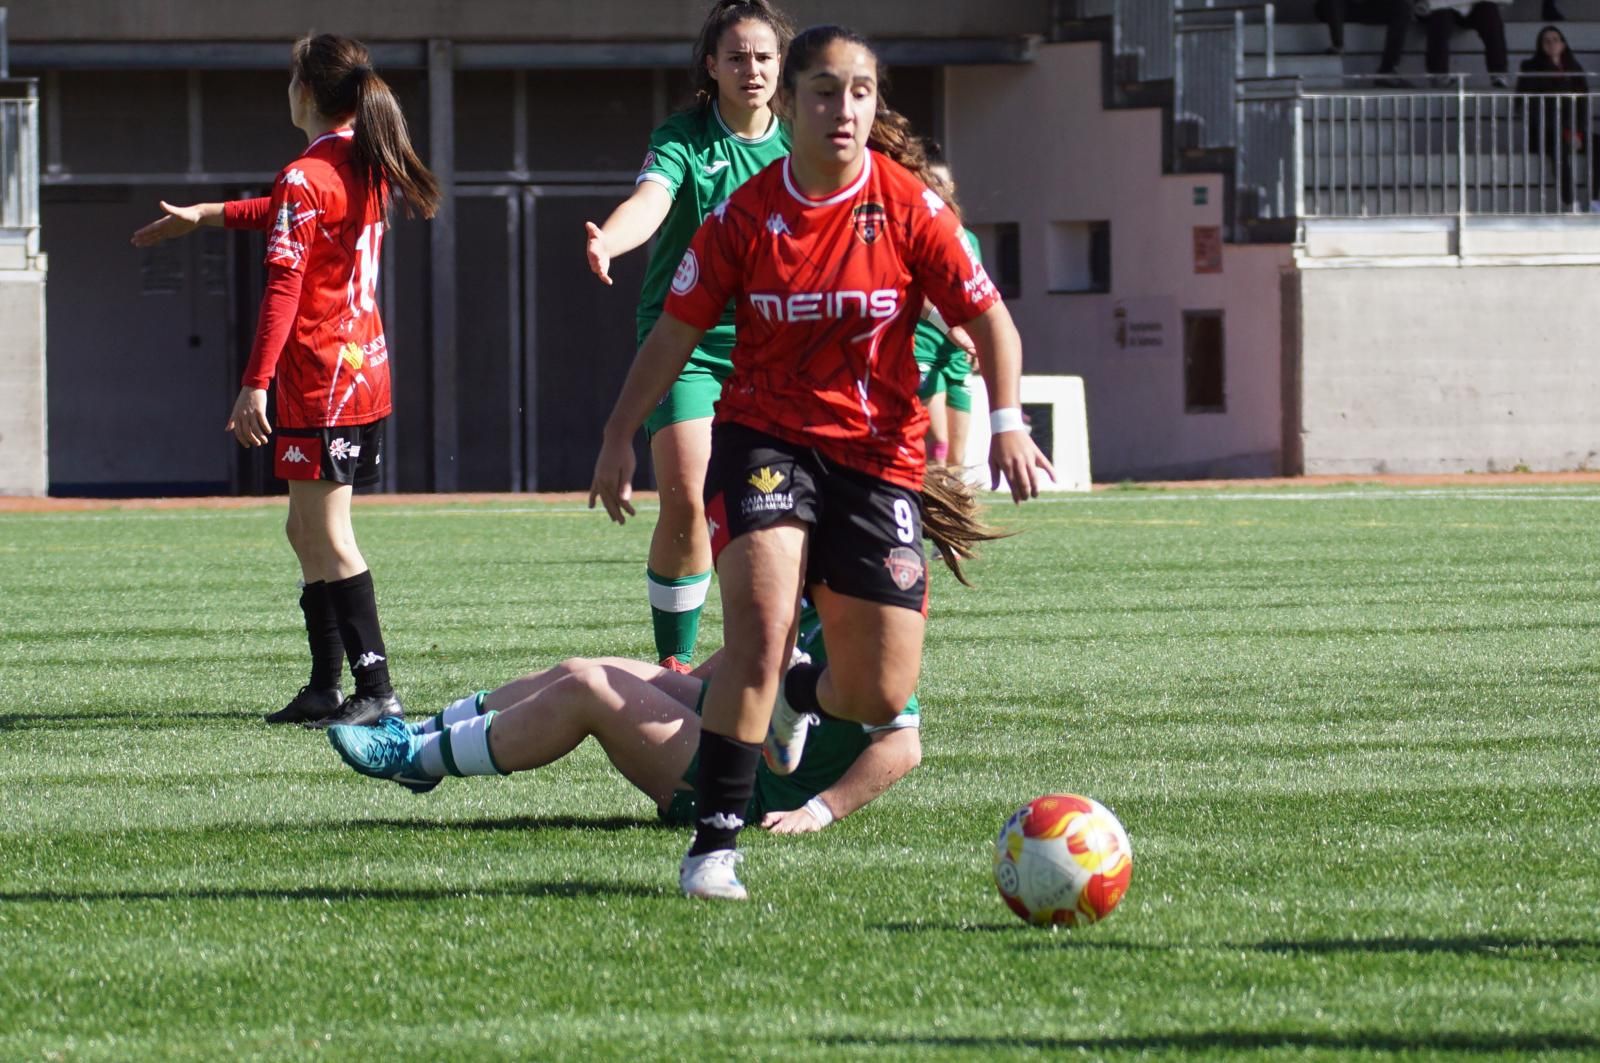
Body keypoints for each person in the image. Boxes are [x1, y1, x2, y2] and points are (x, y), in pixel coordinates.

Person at [589, 25, 1054, 901]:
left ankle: (804, 691)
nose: (845, 109)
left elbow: (992, 320)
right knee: (758, 635)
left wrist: (1006, 420)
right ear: (791, 103)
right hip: (765, 439)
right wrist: (621, 431)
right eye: (826, 92)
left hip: (877, 459)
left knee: (878, 692)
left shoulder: (911, 207)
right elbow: (674, 332)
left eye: (862, 92)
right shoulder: (746, 215)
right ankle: (714, 847)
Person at [326, 470, 998, 829]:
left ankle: (416, 759)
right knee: (588, 668)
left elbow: (902, 743)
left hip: (753, 787)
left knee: (589, 694)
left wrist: (818, 811)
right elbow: (756, 662)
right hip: (732, 726)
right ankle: (419, 737)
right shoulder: (829, 585)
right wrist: (678, 677)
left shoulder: (876, 618)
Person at [130, 34, 439, 727]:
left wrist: (254, 383)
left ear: (305, 91)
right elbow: (285, 212)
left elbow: (283, 283)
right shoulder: (361, 159)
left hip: (319, 375)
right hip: (359, 369)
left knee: (327, 532)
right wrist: (207, 215)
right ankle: (326, 685)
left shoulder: (310, 172)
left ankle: (376, 688)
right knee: (304, 528)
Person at [583, 0, 793, 675]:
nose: (751, 69)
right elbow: (652, 199)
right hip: (688, 340)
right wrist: (609, 241)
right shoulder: (684, 137)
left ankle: (775, 658)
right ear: (711, 65)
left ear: (781, 63)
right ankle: (674, 660)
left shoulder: (802, 146)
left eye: (763, 56)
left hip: (777, 343)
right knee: (686, 496)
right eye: (736, 57)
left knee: (777, 505)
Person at [914, 157, 981, 471]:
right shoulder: (916, 237)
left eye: (941, 182)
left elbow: (978, 300)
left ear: (952, 187)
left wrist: (981, 341)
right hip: (923, 347)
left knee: (957, 457)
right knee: (936, 445)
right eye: (930, 182)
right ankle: (928, 518)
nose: (936, 188)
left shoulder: (969, 241)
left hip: (956, 354)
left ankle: (951, 518)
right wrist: (946, 325)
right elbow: (916, 297)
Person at [1516, 24, 1592, 209]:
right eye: (1546, 41)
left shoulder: (1574, 69)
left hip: (1573, 130)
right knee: (1559, 146)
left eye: (1555, 40)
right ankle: (1570, 201)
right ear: (1540, 46)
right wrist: (1559, 129)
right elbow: (1525, 105)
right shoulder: (1530, 68)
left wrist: (1578, 132)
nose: (1551, 44)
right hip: (1545, 132)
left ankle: (1596, 199)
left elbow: (1582, 104)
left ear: (1563, 45)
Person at [1420, 0, 1509, 83]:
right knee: (1441, 17)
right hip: (1438, 8)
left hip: (1472, 7)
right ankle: (1438, 75)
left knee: (1490, 12)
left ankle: (1499, 73)